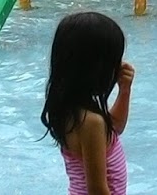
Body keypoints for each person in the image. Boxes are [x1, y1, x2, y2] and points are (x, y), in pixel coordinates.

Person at [43, 12, 135, 195]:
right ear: (96, 66)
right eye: (114, 60)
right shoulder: (90, 121)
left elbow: (115, 128)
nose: (119, 65)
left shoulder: (73, 109)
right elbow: (97, 191)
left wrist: (124, 90)